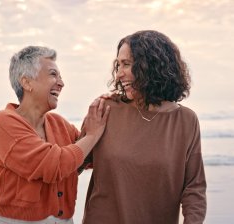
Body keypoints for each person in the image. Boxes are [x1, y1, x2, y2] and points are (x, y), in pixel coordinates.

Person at [82, 30, 207, 224]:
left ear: (153, 66)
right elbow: (71, 164)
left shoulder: (186, 121)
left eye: (127, 64)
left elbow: (194, 188)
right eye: (118, 65)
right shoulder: (105, 110)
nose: (119, 74)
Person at [0, 46, 110, 224]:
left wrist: (108, 108)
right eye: (53, 75)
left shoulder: (58, 123)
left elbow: (89, 155)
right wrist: (91, 135)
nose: (61, 83)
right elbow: (54, 165)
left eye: (60, 76)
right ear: (27, 82)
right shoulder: (4, 122)